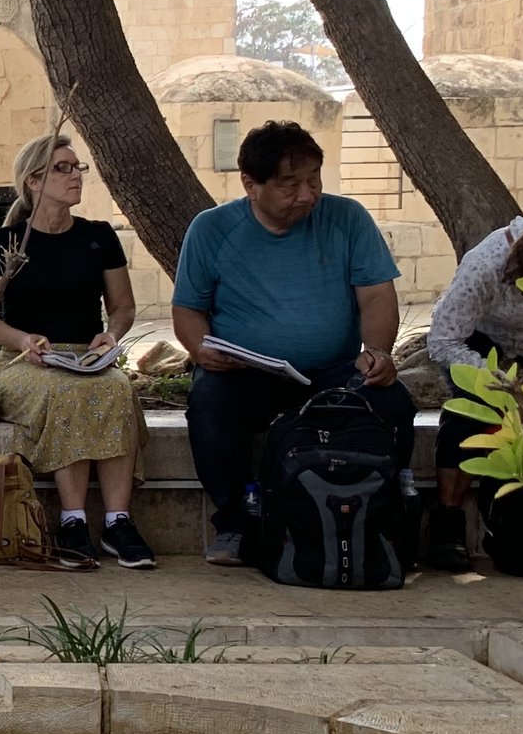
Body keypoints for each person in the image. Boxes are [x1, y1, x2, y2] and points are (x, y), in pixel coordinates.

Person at [171, 118, 417, 566]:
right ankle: (234, 525)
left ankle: (381, 516)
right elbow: (188, 308)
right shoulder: (211, 229)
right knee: (209, 398)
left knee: (393, 402)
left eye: (314, 180)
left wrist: (377, 353)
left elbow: (377, 296)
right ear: (250, 184)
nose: (308, 194)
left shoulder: (348, 218)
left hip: (334, 373)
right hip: (248, 374)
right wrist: (200, 348)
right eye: (290, 184)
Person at [0, 133, 155, 568]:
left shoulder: (98, 237)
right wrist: (23, 340)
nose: (76, 176)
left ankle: (117, 522)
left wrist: (111, 336)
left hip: (86, 354)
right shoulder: (3, 242)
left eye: (78, 168)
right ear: (34, 181)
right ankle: (73, 522)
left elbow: (123, 307)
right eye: (64, 168)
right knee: (64, 391)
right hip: (23, 359)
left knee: (115, 390)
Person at [426, 210, 523, 571]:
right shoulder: (483, 268)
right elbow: (443, 341)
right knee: (468, 414)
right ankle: (448, 522)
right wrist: (507, 383)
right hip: (481, 344)